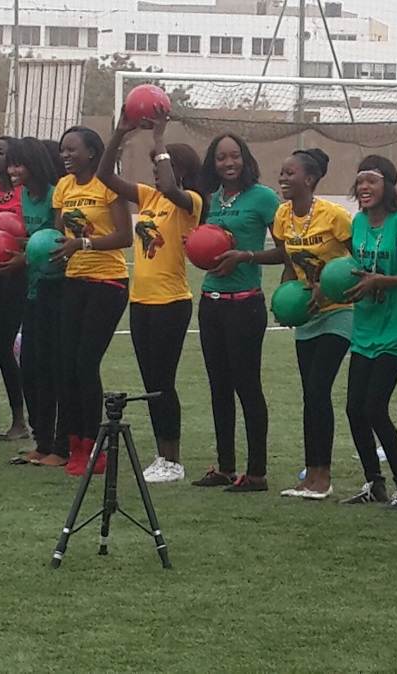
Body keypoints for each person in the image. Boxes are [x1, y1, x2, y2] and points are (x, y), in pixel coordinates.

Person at [98, 107, 208, 484]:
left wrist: (159, 138)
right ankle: (162, 458)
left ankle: (173, 461)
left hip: (171, 302)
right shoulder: (147, 198)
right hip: (141, 301)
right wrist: (120, 134)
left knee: (163, 381)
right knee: (150, 382)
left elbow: (172, 187)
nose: (154, 172)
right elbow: (104, 177)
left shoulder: (190, 201)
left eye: (160, 165)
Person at [189, 133, 283, 492]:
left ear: (245, 158)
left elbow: (285, 250)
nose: (228, 163)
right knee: (219, 388)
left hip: (245, 304)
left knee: (247, 386)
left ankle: (256, 473)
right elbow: (205, 241)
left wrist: (246, 256)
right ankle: (225, 468)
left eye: (234, 156)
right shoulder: (211, 200)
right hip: (211, 303)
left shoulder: (263, 197)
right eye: (220, 158)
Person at [51, 126, 133, 476]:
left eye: (72, 149)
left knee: (86, 363)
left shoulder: (108, 185)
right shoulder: (64, 187)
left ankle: (95, 449)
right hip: (74, 281)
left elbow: (125, 236)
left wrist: (83, 245)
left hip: (108, 282)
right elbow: (58, 237)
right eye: (62, 150)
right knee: (67, 365)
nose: (66, 155)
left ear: (91, 152)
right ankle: (75, 447)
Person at [273, 148, 353, 500]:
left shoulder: (335, 216)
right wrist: (284, 300)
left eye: (290, 173)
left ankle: (324, 477)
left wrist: (329, 286)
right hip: (308, 313)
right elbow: (289, 263)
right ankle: (311, 475)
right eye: (281, 173)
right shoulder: (282, 215)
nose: (283, 179)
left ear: (309, 179)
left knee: (319, 389)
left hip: (340, 311)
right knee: (310, 395)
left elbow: (358, 259)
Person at [342, 155, 397, 509]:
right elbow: (356, 270)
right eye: (360, 181)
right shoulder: (358, 223)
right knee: (353, 408)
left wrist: (383, 281)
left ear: (388, 185)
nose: (364, 187)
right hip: (366, 327)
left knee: (375, 407)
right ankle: (375, 483)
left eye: (371, 180)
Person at [1, 137, 68, 466]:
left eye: (18, 164)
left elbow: (54, 244)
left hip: (58, 291)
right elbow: (30, 240)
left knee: (55, 367)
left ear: (34, 165)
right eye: (10, 164)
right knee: (31, 367)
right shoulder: (24, 195)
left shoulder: (57, 194)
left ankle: (61, 446)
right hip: (33, 291)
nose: (11, 170)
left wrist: (22, 258)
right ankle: (41, 442)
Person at [0, 135, 30, 441]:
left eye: (1, 153)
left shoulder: (26, 196)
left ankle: (19, 419)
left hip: (15, 279)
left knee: (2, 346)